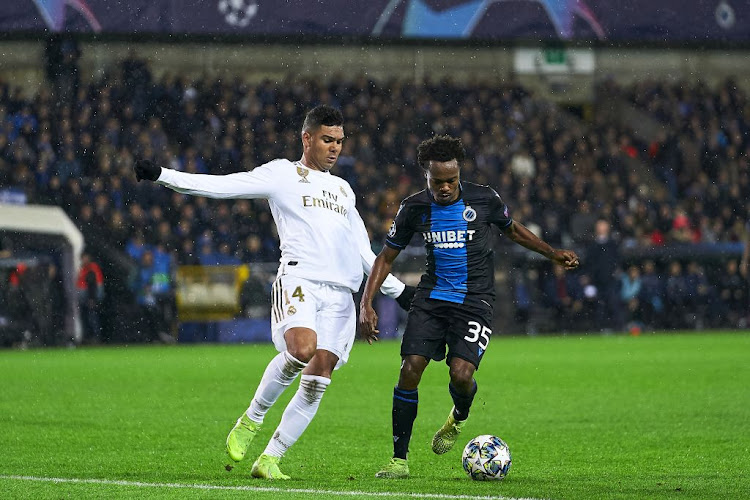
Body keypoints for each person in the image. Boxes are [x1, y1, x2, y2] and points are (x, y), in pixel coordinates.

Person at [133, 105, 415, 480]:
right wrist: (162, 175)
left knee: (318, 380)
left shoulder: (343, 190)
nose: (335, 148)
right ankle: (252, 418)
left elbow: (363, 252)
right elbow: (223, 186)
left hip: (341, 295)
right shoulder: (282, 174)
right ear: (307, 138)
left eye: (340, 142)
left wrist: (400, 293)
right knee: (301, 350)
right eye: (328, 140)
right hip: (300, 280)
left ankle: (270, 458)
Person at [359, 135, 579, 479]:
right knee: (409, 369)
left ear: (459, 175)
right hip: (431, 299)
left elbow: (515, 231)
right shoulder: (414, 208)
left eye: (451, 181)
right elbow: (386, 257)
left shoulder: (484, 198)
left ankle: (459, 415)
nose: (445, 188)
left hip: (475, 300)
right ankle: (399, 460)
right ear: (426, 177)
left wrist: (553, 253)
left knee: (461, 375)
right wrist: (366, 303)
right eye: (437, 181)